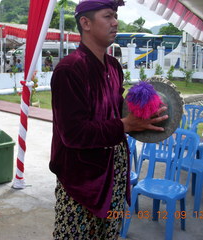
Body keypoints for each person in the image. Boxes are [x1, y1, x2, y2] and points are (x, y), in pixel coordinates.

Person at [49, 1, 168, 239]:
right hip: (81, 178)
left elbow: (118, 111)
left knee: (110, 234)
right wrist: (125, 125)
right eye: (108, 16)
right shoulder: (69, 69)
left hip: (115, 169)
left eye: (115, 16)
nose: (115, 22)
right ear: (86, 23)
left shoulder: (113, 66)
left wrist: (146, 112)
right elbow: (73, 133)